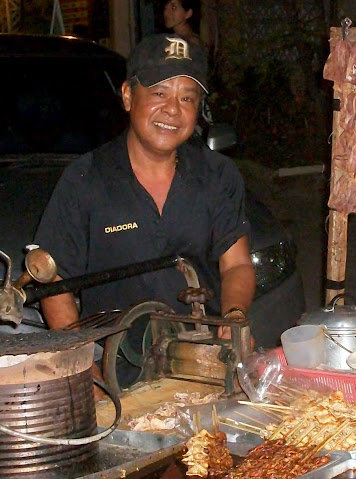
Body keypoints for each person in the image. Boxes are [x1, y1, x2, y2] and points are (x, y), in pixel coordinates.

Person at [34, 34, 255, 347]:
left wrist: (234, 316)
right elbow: (54, 283)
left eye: (187, 98)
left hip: (202, 359)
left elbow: (237, 264)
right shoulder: (85, 180)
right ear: (127, 96)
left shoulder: (217, 175)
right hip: (118, 371)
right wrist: (88, 371)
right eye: (159, 92)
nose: (173, 110)